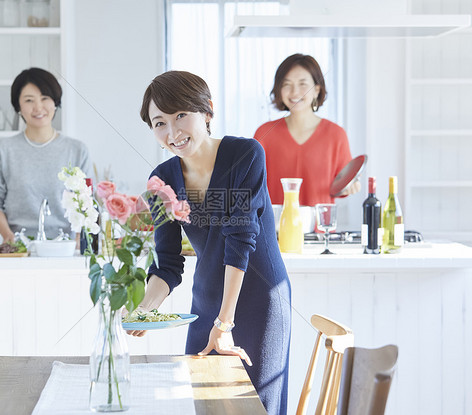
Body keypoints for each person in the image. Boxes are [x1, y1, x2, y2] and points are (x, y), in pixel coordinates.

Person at [133, 70, 291, 415]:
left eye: (180, 116)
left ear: (207, 111)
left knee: (254, 407)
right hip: (205, 304)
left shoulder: (245, 154)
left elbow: (239, 240)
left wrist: (225, 324)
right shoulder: (161, 180)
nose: (172, 132)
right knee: (202, 406)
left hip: (257, 302)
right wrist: (144, 310)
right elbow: (168, 263)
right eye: (159, 123)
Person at [0, 67, 91, 242]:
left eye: (45, 98)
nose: (38, 107)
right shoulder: (3, 150)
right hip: (20, 247)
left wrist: (79, 241)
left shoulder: (77, 150)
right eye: (29, 100)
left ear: (55, 102)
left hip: (66, 246)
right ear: (18, 106)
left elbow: (86, 201)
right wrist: (8, 237)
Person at [254, 53, 360, 206]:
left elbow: (342, 184)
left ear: (317, 89)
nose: (295, 92)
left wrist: (350, 186)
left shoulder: (336, 135)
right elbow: (252, 186)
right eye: (286, 84)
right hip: (275, 228)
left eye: (303, 84)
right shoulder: (264, 134)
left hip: (320, 228)